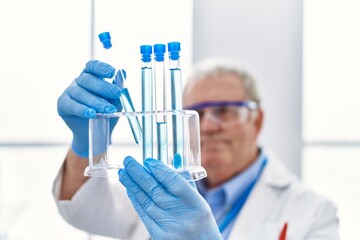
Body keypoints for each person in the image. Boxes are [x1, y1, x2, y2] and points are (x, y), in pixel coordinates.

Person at [54, 58, 339, 239]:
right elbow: (83, 209)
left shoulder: (313, 213)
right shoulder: (157, 189)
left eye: (225, 110)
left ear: (257, 120)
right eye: (197, 114)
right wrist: (86, 142)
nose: (209, 126)